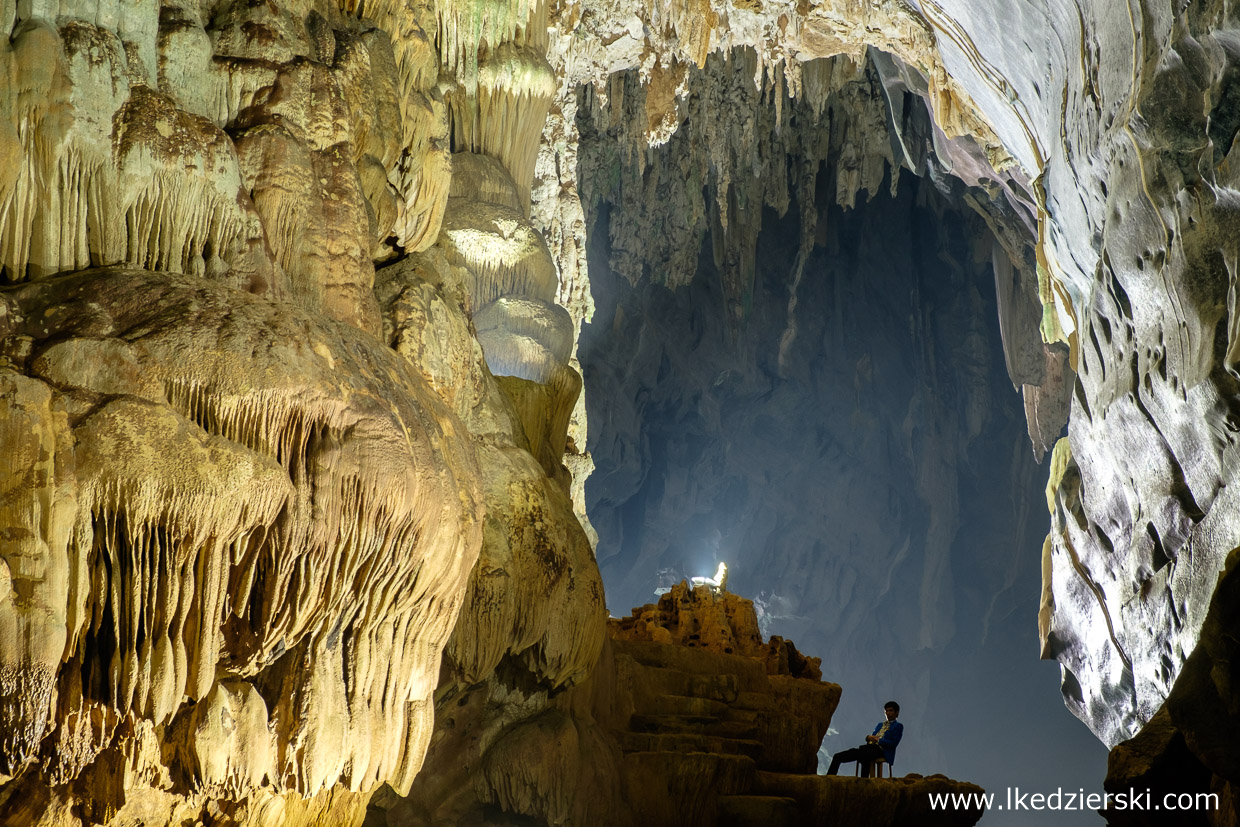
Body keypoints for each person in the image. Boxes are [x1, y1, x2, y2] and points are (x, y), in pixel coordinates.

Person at [826, 701, 903, 777]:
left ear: (896, 712)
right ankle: (829, 778)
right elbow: (872, 736)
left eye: (891, 710)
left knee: (865, 755)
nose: (888, 713)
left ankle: (864, 780)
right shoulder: (880, 725)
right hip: (870, 748)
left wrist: (878, 740)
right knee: (838, 756)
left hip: (883, 751)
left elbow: (893, 743)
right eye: (886, 711)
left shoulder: (898, 726)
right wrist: (868, 737)